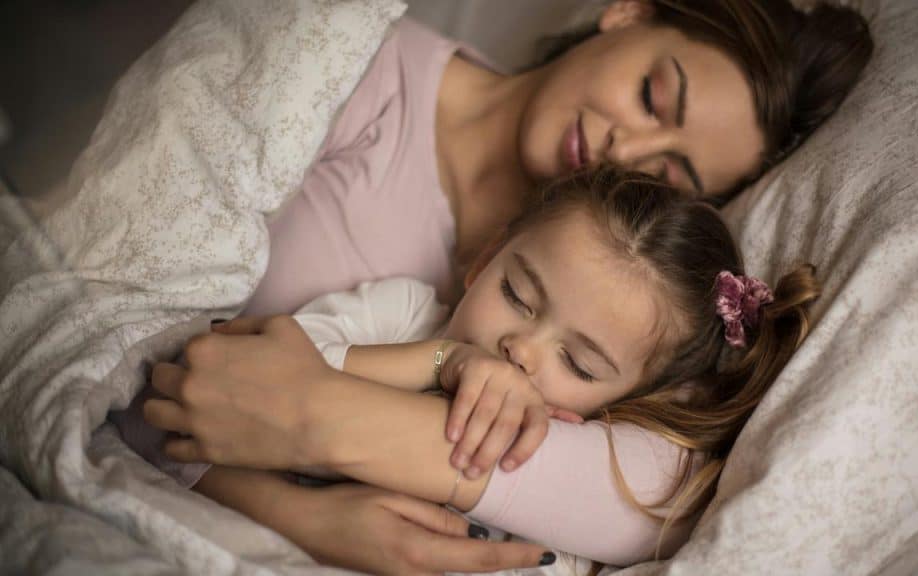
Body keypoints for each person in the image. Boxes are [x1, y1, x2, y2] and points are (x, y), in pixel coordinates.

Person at [116, 0, 873, 571]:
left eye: (671, 172)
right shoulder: (347, 59)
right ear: (628, 13)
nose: (628, 146)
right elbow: (119, 341)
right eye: (652, 97)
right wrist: (304, 516)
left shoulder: (624, 297)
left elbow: (662, 495)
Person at [142, 168, 821, 565]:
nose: (521, 350)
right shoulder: (401, 316)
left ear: (630, 399)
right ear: (485, 256)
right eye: (517, 296)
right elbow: (209, 408)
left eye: (578, 363)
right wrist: (436, 361)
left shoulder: (577, 473)